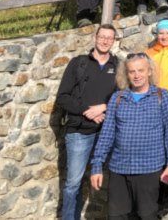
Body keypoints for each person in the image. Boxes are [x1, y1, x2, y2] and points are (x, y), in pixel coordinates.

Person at [89, 52, 168, 220]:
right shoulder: (118, 98)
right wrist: (97, 166)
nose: (137, 75)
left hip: (149, 169)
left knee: (146, 216)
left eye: (140, 70)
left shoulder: (162, 96)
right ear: (126, 74)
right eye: (132, 71)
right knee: (116, 216)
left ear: (149, 71)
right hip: (119, 169)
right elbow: (107, 134)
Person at [56, 24, 120, 220]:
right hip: (79, 132)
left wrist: (103, 108)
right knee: (73, 183)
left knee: (113, 179)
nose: (105, 41)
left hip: (107, 132)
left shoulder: (118, 66)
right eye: (102, 36)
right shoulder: (79, 63)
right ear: (95, 37)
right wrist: (87, 111)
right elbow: (63, 97)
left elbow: (123, 96)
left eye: (110, 38)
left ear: (114, 41)